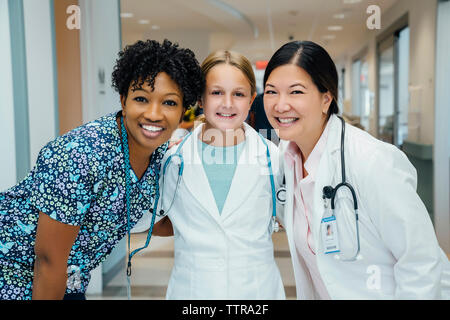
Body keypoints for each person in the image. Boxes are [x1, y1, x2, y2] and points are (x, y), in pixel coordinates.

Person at [0, 39, 203, 300]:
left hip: (68, 280)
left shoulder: (160, 156)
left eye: (169, 103)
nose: (154, 114)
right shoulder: (79, 155)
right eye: (141, 98)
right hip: (15, 276)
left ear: (184, 110)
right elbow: (48, 261)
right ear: (123, 99)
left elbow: (160, 221)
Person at [263, 40, 450, 299]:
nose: (280, 105)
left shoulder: (372, 160)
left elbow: (420, 262)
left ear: (326, 98)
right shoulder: (286, 157)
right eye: (271, 91)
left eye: (296, 92)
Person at [153, 50, 285, 299]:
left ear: (251, 99)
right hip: (192, 292)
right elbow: (157, 221)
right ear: (201, 98)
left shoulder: (272, 158)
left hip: (256, 292)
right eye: (216, 92)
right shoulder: (174, 160)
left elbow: (292, 219)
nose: (227, 103)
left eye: (238, 94)